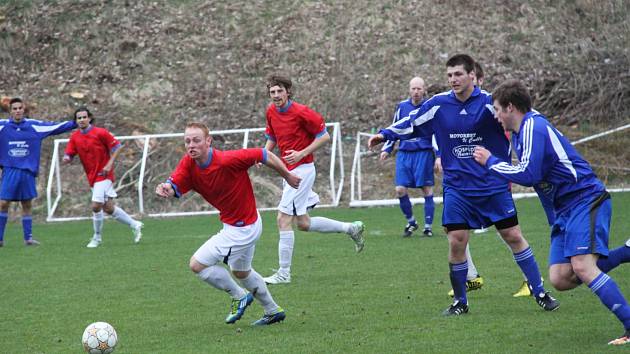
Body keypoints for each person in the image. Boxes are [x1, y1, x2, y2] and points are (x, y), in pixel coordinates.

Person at [368, 54, 559, 316]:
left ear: (472, 75)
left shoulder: (492, 104)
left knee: (513, 236)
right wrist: (385, 134)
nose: (453, 80)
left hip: (492, 185)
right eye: (449, 75)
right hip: (458, 188)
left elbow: (526, 119)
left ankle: (539, 291)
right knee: (457, 242)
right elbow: (411, 122)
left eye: (458, 74)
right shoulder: (438, 105)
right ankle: (461, 301)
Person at [473, 79, 630, 346]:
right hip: (565, 211)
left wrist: (491, 162)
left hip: (585, 198)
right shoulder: (521, 136)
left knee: (582, 266)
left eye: (498, 109)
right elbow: (540, 180)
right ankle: (626, 251)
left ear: (510, 107)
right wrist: (555, 219)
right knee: (561, 278)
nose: (496, 116)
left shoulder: (534, 126)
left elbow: (529, 174)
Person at [155, 122, 300, 325]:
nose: (191, 145)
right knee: (241, 272)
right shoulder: (189, 163)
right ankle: (273, 310)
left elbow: (264, 154)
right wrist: (167, 188)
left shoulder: (226, 160)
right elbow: (175, 183)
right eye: (187, 141)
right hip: (241, 224)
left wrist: (288, 175)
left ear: (208, 141)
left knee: (197, 265)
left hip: (243, 228)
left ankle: (239, 296)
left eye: (196, 140)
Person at [262, 74, 365, 285]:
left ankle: (284, 273)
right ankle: (350, 228)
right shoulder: (271, 111)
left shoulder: (301, 112)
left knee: (283, 219)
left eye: (279, 91)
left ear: (288, 91)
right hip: (288, 171)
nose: (276, 95)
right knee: (303, 223)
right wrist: (262, 155)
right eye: (272, 92)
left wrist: (301, 153)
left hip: (301, 170)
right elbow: (272, 137)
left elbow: (324, 136)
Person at [0, 98, 77, 247]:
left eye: (20, 108)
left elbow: (56, 127)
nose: (17, 110)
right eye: (14, 108)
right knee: (3, 204)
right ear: (10, 111)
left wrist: (75, 123)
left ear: (24, 110)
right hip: (10, 170)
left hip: (27, 171)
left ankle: (28, 238)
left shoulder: (34, 126)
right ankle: (0, 239)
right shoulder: (3, 126)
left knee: (27, 204)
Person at [62, 107, 143, 248]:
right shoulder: (75, 137)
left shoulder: (100, 132)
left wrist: (109, 164)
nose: (81, 120)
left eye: (84, 117)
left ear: (89, 118)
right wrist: (67, 158)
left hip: (104, 175)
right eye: (79, 118)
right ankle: (135, 224)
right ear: (76, 121)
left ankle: (97, 238)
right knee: (108, 208)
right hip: (92, 177)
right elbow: (69, 153)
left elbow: (117, 147)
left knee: (95, 206)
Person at [379, 77, 435, 237]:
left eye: (419, 88)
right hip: (404, 153)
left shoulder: (429, 107)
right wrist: (387, 148)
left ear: (424, 90)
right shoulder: (402, 107)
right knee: (400, 189)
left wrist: (438, 155)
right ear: (409, 90)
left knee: (426, 189)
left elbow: (435, 133)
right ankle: (411, 222)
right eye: (413, 88)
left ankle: (428, 227)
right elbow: (395, 128)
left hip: (423, 153)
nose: (416, 92)